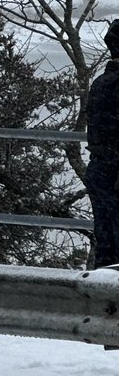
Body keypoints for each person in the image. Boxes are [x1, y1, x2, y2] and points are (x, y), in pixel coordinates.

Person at [86, 20, 119, 269]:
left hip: (101, 170)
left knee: (107, 247)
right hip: (115, 172)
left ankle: (102, 289)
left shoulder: (100, 82)